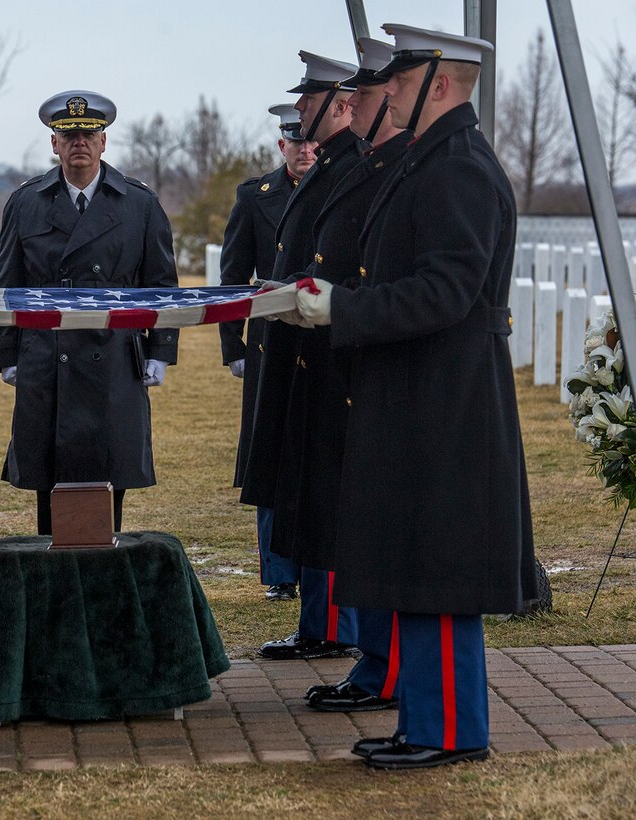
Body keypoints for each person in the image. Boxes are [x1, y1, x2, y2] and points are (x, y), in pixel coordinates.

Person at [290, 23, 538, 769]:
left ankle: (453, 731)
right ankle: (429, 723)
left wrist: (343, 311)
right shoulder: (426, 161)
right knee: (415, 561)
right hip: (417, 392)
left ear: (440, 83)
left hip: (445, 397)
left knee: (437, 567)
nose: (384, 91)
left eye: (398, 80)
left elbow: (445, 290)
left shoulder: (456, 167)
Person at [270, 37, 409, 713]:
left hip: (350, 360)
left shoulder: (378, 167)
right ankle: (371, 660)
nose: (313, 110)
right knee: (337, 519)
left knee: (362, 525)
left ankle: (380, 664)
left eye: (316, 99)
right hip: (324, 356)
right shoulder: (352, 163)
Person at [0, 91, 178, 534]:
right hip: (45, 356)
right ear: (54, 143)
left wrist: (161, 350)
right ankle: (51, 576)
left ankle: (102, 575)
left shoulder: (139, 203)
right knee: (49, 481)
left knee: (108, 473)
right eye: (69, 133)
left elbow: (162, 285)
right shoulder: (26, 202)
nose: (79, 141)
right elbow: (7, 284)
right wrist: (7, 352)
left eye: (88, 133)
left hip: (113, 357)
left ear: (104, 141)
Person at [243, 52, 362, 661]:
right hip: (303, 350)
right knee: (309, 492)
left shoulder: (352, 169)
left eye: (309, 103)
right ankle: (320, 623)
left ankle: (337, 628)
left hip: (331, 354)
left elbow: (341, 265)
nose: (300, 113)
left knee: (330, 496)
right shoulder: (333, 167)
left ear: (341, 105)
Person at [218, 104, 315, 602]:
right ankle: (279, 572)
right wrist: (232, 343)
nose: (303, 150)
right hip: (271, 341)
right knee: (270, 451)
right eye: (294, 143)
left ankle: (318, 566)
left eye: (309, 142)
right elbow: (234, 272)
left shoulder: (337, 190)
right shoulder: (256, 198)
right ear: (282, 147)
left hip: (321, 338)